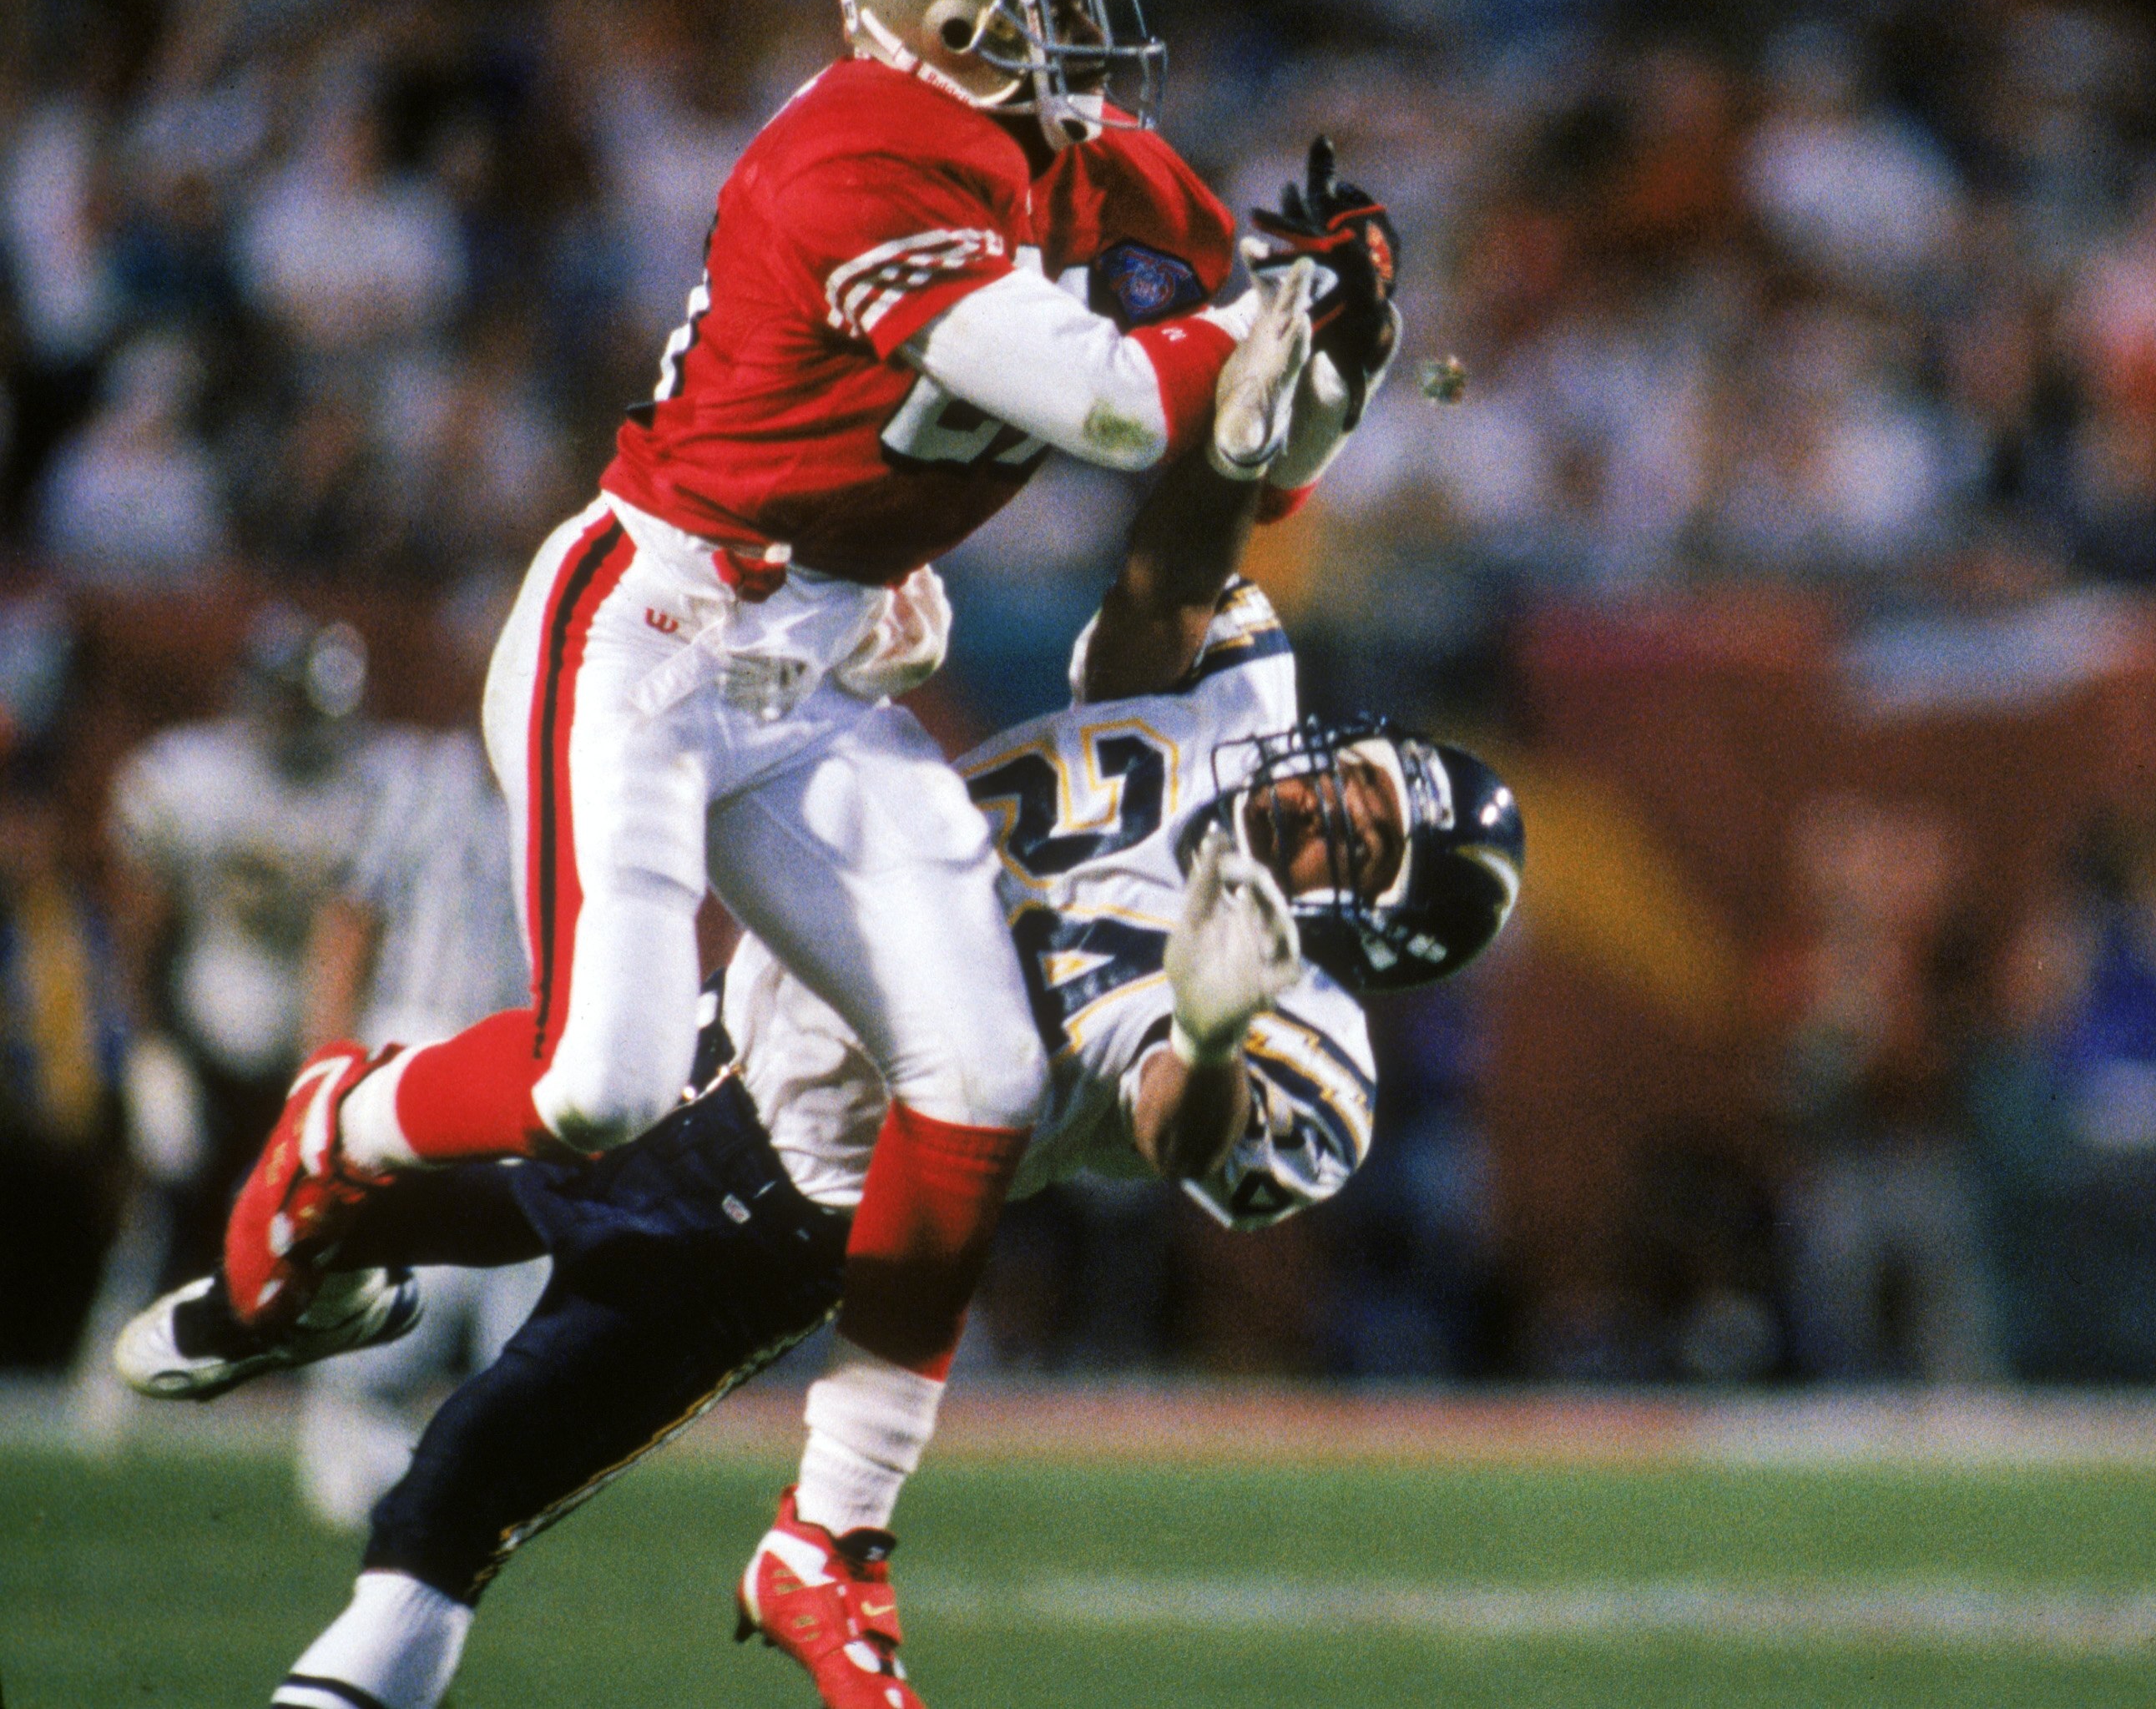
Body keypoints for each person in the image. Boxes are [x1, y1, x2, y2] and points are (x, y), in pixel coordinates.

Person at [210, 0, 1401, 1597]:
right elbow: (1099, 407)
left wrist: (1327, 362)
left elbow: (1241, 456)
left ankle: (831, 1540)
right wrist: (1259, 343)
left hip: (830, 650)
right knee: (596, 1077)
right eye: (1048, 6)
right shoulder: (852, 156)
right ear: (936, 20)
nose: (1090, 37)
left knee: (979, 1068)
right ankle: (339, 1126)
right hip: (660, 618)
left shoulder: (1112, 175)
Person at [121, 444, 1522, 1709]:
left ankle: (323, 1320)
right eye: (1366, 778)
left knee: (461, 1501)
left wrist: (1212, 1030)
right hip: (724, 1028)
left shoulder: (1304, 1029)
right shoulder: (1236, 702)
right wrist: (1255, 426)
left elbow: (1173, 1127)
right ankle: (285, 1256)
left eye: (1361, 839)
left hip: (799, 1204)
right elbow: (1167, 578)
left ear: (1371, 930)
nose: (1328, 799)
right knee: (428, 1189)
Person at [67, 607, 414, 1443]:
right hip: (206, 1020)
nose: (293, 722)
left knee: (322, 1218)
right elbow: (140, 922)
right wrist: (151, 1047)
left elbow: (363, 937)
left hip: (316, 1037)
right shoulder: (193, 776)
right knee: (165, 1205)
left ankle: (330, 1409)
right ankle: (103, 1379)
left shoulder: (374, 787)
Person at [290, 726, 548, 1530]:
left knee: (521, 1302)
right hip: (417, 1037)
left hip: (526, 1055)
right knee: (417, 1285)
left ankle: (471, 1465)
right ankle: (345, 1431)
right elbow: (349, 923)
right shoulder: (414, 779)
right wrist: (323, 1071)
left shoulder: (566, 781)